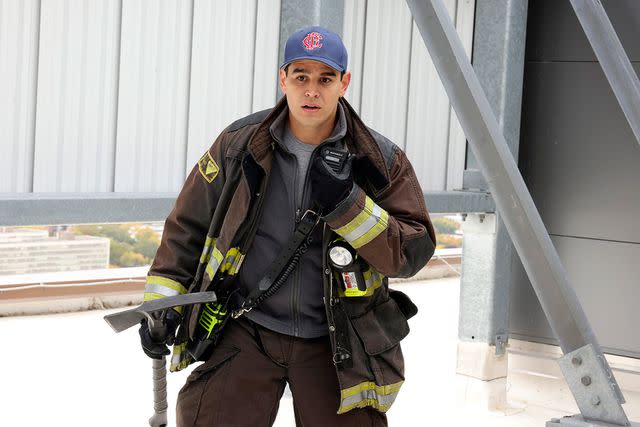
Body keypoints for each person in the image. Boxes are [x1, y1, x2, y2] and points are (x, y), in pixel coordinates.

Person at [139, 25, 436, 426]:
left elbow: (412, 252)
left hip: (336, 340)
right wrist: (162, 307)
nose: (311, 90)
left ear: (344, 83)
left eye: (325, 78)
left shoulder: (379, 160)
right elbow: (186, 227)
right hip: (248, 328)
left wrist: (348, 204)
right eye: (301, 77)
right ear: (283, 79)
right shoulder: (238, 144)